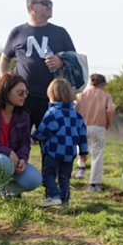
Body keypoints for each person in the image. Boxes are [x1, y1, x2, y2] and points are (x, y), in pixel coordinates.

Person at [0, 0, 76, 130]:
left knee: (51, 144)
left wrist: (61, 61)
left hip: (53, 99)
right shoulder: (17, 32)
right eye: (45, 3)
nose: (50, 6)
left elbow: (74, 60)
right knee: (18, 140)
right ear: (31, 7)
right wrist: (6, 83)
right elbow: (4, 60)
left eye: (51, 3)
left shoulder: (60, 32)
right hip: (23, 98)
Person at [33, 78, 88, 207]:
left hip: (54, 151)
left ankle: (53, 195)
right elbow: (82, 135)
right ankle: (65, 201)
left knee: (49, 174)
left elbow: (44, 130)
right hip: (70, 152)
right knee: (65, 177)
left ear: (51, 95)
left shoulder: (53, 113)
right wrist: (83, 151)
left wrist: (35, 137)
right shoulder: (76, 115)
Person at [75, 73, 116, 192]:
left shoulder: (81, 94)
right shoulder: (106, 95)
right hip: (98, 126)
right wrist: (109, 123)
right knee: (97, 155)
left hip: (82, 126)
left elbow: (75, 108)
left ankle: (80, 168)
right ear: (102, 84)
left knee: (81, 148)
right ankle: (94, 184)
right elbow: (110, 110)